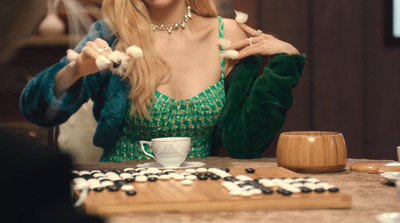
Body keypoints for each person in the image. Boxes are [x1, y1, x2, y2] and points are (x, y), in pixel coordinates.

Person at [20, 0, 306, 162]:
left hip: (204, 193)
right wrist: (75, 71)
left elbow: (247, 145)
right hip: (122, 193)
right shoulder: (111, 36)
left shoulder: (229, 36)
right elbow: (36, 110)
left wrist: (284, 66)